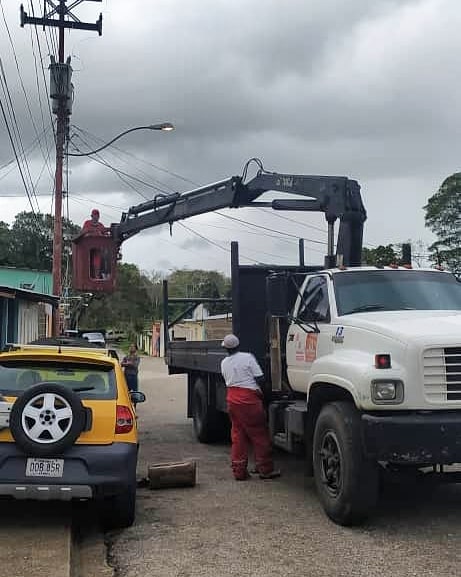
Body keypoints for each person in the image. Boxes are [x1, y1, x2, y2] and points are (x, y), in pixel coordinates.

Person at [220, 334, 280, 481]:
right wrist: (266, 394)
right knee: (259, 435)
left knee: (238, 436)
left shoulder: (224, 362)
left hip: (232, 400)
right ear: (238, 345)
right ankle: (265, 469)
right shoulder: (248, 357)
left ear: (225, 349)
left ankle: (239, 472)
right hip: (249, 401)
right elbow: (260, 378)